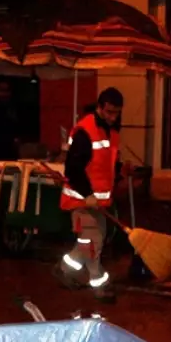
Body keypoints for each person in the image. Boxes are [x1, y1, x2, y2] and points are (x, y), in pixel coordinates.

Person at [55, 88, 124, 303]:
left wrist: (121, 172)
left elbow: (106, 164)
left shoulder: (110, 132)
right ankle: (100, 285)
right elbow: (73, 169)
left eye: (117, 113)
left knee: (92, 241)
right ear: (99, 108)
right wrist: (88, 195)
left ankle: (64, 269)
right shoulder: (85, 132)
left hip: (97, 201)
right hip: (81, 200)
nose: (113, 117)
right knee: (93, 242)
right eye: (109, 112)